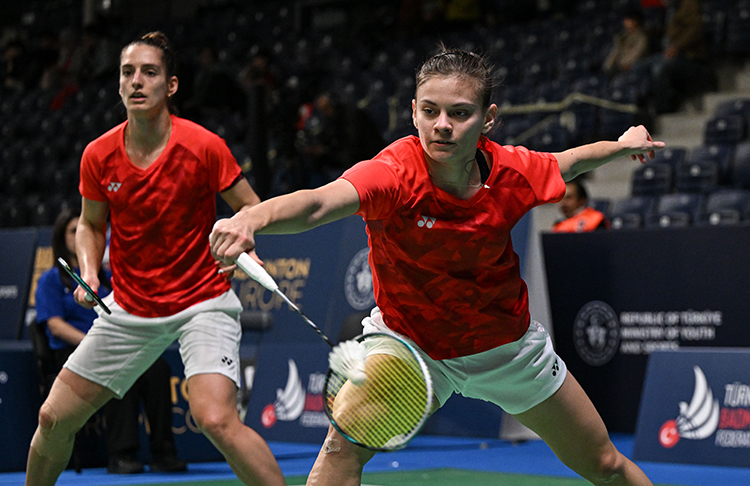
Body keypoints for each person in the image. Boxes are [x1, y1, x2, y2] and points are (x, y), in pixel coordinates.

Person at [210, 47, 663, 486]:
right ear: (414, 112)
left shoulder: (512, 172)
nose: (442, 126)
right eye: (430, 111)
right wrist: (251, 218)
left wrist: (622, 146)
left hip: (505, 349)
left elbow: (569, 162)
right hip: (410, 345)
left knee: (604, 464)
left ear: (488, 118)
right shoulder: (393, 173)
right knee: (341, 449)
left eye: (459, 113)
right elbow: (317, 203)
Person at [24, 31, 286, 486]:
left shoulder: (203, 146)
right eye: (128, 72)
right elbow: (90, 225)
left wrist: (244, 239)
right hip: (130, 307)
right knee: (52, 418)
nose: (137, 81)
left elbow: (250, 207)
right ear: (119, 83)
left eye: (149, 72)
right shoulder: (98, 155)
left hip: (202, 300)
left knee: (216, 419)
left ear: (171, 85)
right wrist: (89, 272)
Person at [34, 208, 187, 474]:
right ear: (61, 238)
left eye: (79, 230)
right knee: (117, 373)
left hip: (113, 344)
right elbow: (55, 326)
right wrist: (93, 342)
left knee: (157, 369)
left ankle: (164, 453)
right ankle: (122, 454)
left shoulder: (104, 277)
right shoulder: (51, 279)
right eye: (72, 231)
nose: (77, 236)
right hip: (73, 350)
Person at [603, 8, 649, 76]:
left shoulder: (641, 37)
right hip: (618, 67)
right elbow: (615, 52)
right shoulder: (622, 36)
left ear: (635, 21)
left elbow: (637, 53)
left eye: (628, 20)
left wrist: (625, 64)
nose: (624, 22)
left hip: (632, 67)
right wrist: (607, 66)